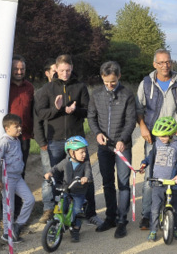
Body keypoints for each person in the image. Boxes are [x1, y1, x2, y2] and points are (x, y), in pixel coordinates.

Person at [35, 55, 101, 226]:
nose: (65, 73)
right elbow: (41, 113)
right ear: (55, 69)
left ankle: (90, 212)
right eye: (62, 70)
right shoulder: (47, 89)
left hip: (75, 140)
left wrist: (75, 110)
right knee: (55, 177)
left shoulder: (80, 87)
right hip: (55, 140)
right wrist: (57, 109)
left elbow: (88, 111)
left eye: (68, 70)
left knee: (86, 176)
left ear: (72, 68)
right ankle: (55, 213)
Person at [136, 49, 177, 230]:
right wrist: (142, 127)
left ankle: (176, 214)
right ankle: (147, 215)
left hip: (175, 136)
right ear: (154, 65)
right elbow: (138, 108)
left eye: (168, 62)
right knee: (151, 177)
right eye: (161, 63)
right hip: (154, 136)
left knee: (174, 176)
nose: (165, 66)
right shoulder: (146, 83)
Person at [87, 61, 136, 238]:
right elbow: (91, 117)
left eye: (113, 82)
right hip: (104, 147)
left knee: (123, 183)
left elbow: (131, 120)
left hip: (123, 146)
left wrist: (123, 139)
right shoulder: (96, 94)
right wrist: (97, 134)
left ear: (119, 77)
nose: (109, 85)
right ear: (102, 78)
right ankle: (110, 217)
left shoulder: (127, 94)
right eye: (106, 82)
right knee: (107, 182)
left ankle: (122, 220)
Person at [138, 117, 177, 242]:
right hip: (158, 181)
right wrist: (144, 163)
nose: (162, 138)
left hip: (173, 183)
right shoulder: (157, 144)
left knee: (175, 208)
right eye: (160, 136)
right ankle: (153, 230)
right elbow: (151, 156)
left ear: (171, 134)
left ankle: (174, 228)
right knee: (155, 207)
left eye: (165, 136)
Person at [0, 114, 35, 243]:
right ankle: (7, 233)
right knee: (9, 206)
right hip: (7, 178)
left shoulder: (16, 140)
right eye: (16, 126)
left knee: (30, 199)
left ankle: (17, 225)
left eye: (20, 125)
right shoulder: (4, 142)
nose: (20, 128)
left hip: (18, 177)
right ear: (7, 128)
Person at [44, 136, 93, 243]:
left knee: (76, 211)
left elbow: (89, 174)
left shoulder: (85, 164)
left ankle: (75, 229)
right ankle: (57, 223)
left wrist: (86, 178)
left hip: (79, 192)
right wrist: (50, 172)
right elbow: (56, 168)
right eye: (81, 152)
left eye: (85, 152)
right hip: (66, 190)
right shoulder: (66, 162)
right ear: (71, 153)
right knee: (61, 207)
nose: (84, 154)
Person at [8, 55, 34, 219]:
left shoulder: (30, 87)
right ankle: (7, 206)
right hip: (7, 137)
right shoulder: (4, 86)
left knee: (20, 172)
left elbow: (32, 111)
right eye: (16, 69)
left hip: (24, 137)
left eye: (21, 68)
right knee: (6, 172)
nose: (19, 71)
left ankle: (17, 208)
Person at [35, 58, 57, 224]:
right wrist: (42, 142)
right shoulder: (41, 93)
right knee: (48, 176)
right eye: (54, 71)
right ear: (47, 73)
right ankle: (48, 209)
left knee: (67, 176)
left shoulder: (65, 90)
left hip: (65, 141)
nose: (57, 74)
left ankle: (65, 207)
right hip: (48, 142)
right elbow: (37, 121)